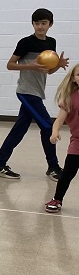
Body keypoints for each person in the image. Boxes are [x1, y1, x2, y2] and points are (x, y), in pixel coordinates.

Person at [0, 8, 68, 180]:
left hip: (37, 91)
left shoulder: (51, 42)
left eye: (44, 23)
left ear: (50, 24)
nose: (40, 27)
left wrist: (58, 64)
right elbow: (10, 65)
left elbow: (47, 71)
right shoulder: (25, 42)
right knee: (48, 127)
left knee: (19, 130)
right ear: (32, 24)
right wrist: (29, 66)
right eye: (36, 23)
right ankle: (53, 167)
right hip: (26, 92)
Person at [46, 65, 79, 212]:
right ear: (73, 79)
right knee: (67, 173)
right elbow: (59, 121)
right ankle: (57, 199)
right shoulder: (69, 98)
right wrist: (55, 132)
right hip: (77, 143)